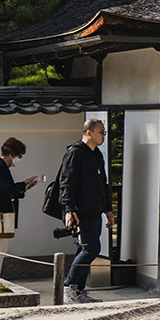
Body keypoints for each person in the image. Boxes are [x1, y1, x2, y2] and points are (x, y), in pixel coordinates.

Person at [58, 118, 110, 303]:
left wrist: (108, 209)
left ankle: (79, 290)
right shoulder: (75, 153)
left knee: (84, 248)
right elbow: (67, 183)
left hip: (95, 210)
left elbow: (103, 184)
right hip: (80, 211)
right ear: (89, 133)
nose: (104, 136)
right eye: (101, 132)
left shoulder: (97, 155)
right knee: (91, 248)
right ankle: (68, 287)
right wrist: (69, 209)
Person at [0, 138, 41, 281]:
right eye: (19, 156)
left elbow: (8, 190)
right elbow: (7, 189)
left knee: (0, 249)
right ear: (12, 154)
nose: (18, 160)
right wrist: (23, 184)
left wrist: (25, 186)